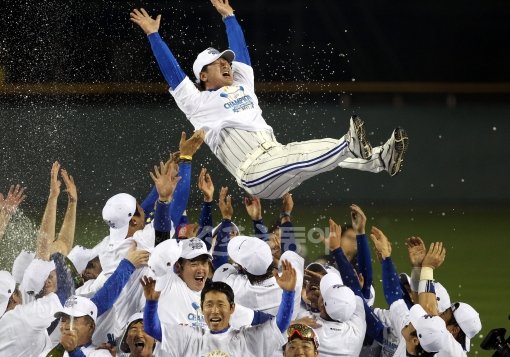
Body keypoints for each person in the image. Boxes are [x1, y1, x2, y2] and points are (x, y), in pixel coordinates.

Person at [129, 0, 409, 200]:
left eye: (226, 61)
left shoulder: (243, 86)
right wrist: (153, 35)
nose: (227, 64)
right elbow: (174, 75)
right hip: (253, 172)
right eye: (218, 63)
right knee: (301, 155)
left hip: (275, 159)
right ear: (203, 75)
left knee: (303, 155)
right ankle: (350, 145)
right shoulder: (197, 104)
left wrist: (229, 17)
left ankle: (377, 160)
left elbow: (242, 54)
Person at [141, 259, 297, 356]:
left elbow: (280, 325)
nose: (214, 310)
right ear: (202, 308)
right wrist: (151, 303)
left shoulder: (248, 339)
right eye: (209, 305)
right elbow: (151, 329)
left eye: (220, 304)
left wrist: (289, 293)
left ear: (232, 308)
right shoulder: (189, 337)